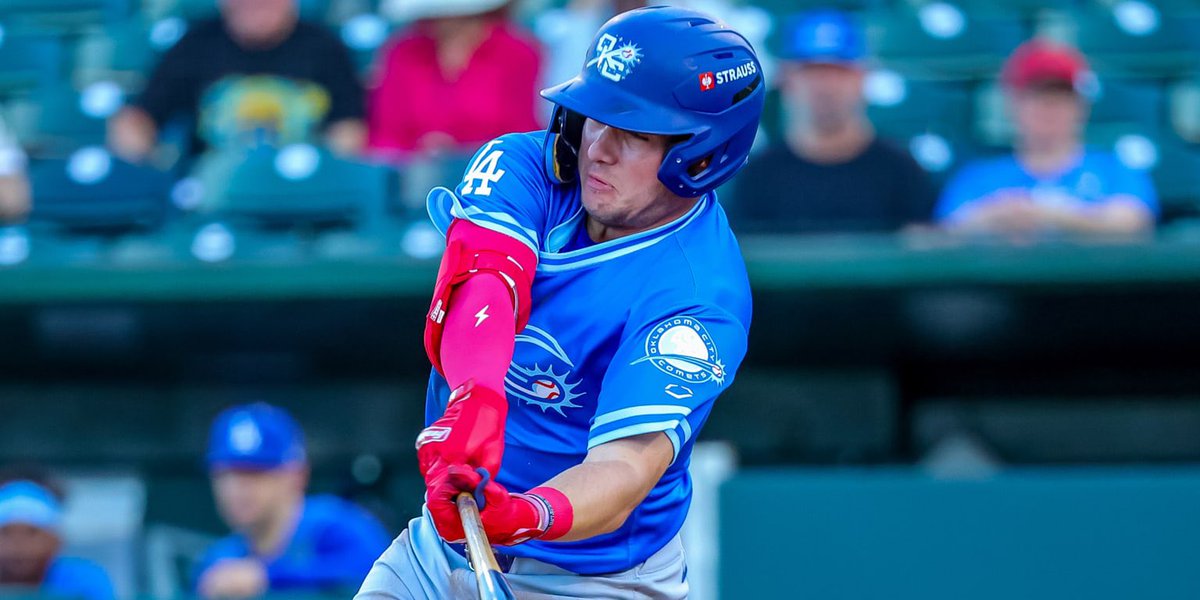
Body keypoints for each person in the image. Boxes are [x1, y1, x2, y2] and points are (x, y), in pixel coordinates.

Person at [356, 6, 764, 599]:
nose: (598, 148)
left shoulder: (699, 295)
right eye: (595, 116)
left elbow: (624, 468)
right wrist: (475, 397)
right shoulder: (527, 165)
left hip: (597, 576)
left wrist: (527, 514)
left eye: (635, 133)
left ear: (702, 156)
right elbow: (483, 283)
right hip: (441, 545)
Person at [729, 9, 936, 233]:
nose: (825, 86)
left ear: (862, 78)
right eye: (811, 71)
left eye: (839, 71)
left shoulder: (901, 172)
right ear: (786, 80)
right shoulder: (758, 177)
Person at [936, 40, 1158, 234]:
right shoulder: (978, 177)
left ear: (1082, 106)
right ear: (1013, 104)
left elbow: (1133, 223)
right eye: (1037, 97)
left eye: (1061, 98)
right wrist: (994, 217)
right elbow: (946, 234)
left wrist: (1048, 214)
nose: (1049, 108)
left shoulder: (1114, 170)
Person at [108, 0, 366, 163]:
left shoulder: (324, 46)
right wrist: (148, 159)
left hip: (302, 181)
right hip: (215, 187)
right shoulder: (195, 44)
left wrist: (329, 173)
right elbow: (140, 118)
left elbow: (348, 127)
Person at [194, 402, 391, 600]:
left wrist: (269, 577)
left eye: (255, 472)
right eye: (226, 474)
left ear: (297, 475)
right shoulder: (221, 557)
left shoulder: (337, 525)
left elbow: (382, 574)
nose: (237, 488)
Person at [367, 0, 542, 159]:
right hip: (413, 174)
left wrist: (460, 152)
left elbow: (524, 132)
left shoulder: (517, 53)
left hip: (496, 172)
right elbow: (387, 135)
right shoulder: (403, 52)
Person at [0, 476, 115, 600]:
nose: (19, 544)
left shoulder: (86, 580)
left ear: (55, 540)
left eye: (32, 532)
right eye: (6, 532)